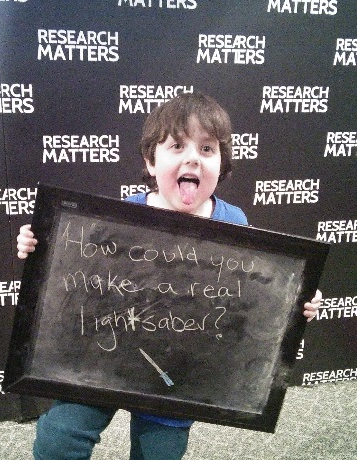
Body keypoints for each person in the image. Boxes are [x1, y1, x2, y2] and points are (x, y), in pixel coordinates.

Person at [16, 92, 322, 460]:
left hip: (175, 377)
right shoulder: (122, 215)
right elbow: (71, 269)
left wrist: (298, 301)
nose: (192, 157)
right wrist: (40, 243)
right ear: (150, 161)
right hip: (101, 357)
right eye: (177, 146)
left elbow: (260, 296)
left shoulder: (235, 225)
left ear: (222, 164)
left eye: (207, 149)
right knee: (57, 440)